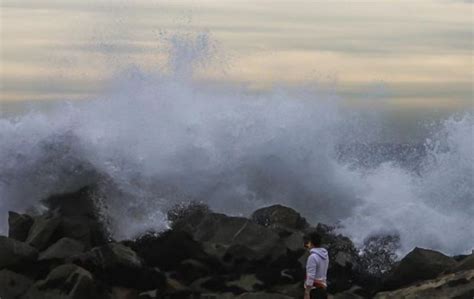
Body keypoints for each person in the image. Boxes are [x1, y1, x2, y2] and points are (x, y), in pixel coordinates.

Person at [303, 232, 329, 299]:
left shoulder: (313, 257)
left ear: (311, 242)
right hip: (323, 290)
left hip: (314, 291)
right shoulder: (325, 255)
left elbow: (310, 276)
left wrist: (307, 293)